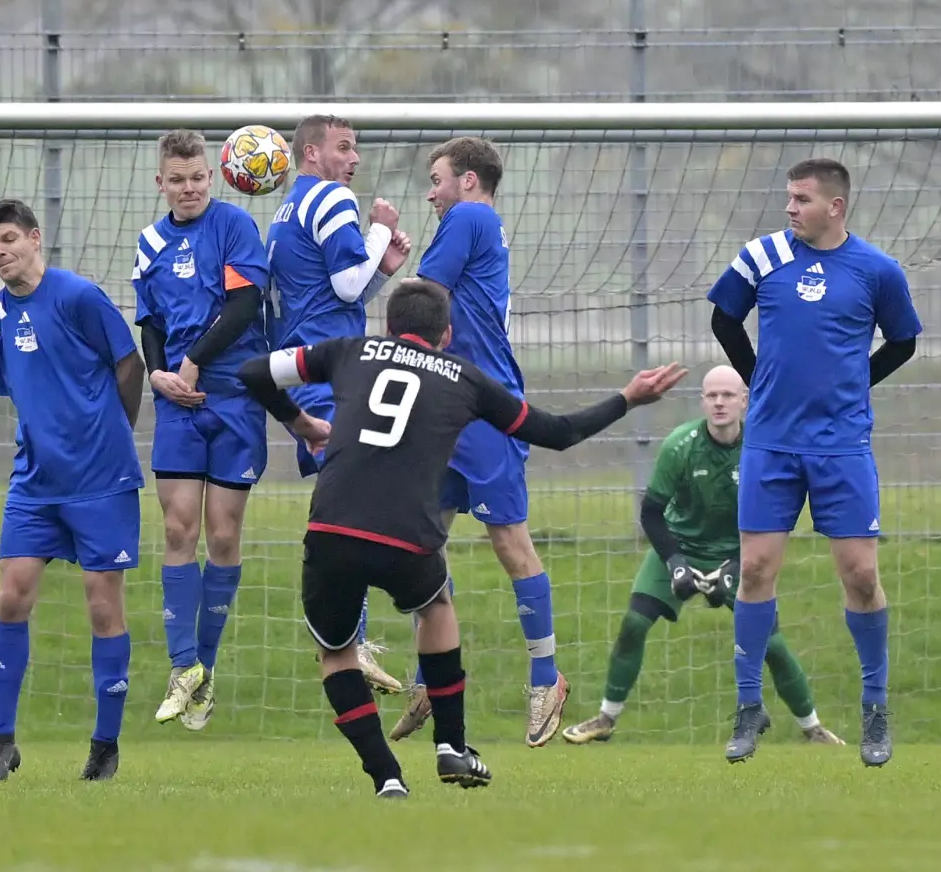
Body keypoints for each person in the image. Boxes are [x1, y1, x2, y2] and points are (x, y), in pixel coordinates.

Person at [238, 278, 687, 798]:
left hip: (333, 526)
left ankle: (386, 776)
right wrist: (628, 398)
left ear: (389, 326)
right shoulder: (464, 378)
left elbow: (254, 372)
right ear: (446, 334)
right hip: (408, 535)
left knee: (336, 655)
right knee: (436, 608)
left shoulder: (347, 352)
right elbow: (558, 433)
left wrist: (303, 424)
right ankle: (451, 745)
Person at [705, 158, 921, 768]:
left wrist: (857, 383)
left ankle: (875, 708)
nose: (789, 209)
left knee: (859, 576)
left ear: (836, 206)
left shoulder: (878, 271)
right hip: (771, 443)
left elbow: (903, 342)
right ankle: (749, 708)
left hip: (842, 446)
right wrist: (759, 380)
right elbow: (724, 317)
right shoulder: (764, 256)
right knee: (754, 569)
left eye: (801, 199)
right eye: (788, 197)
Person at [561, 366, 843, 746]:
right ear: (702, 401)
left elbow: (780, 516)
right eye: (712, 396)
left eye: (728, 395)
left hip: (739, 553)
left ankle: (813, 730)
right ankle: (606, 719)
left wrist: (735, 566)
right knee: (633, 624)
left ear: (745, 400)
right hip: (679, 546)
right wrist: (675, 563)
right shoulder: (680, 445)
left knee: (771, 644)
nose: (720, 402)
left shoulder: (762, 448)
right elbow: (651, 513)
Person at [394, 136, 565, 749]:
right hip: (445, 407)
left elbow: (421, 299)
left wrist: (376, 258)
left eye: (437, 178)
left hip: (483, 409)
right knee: (422, 541)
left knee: (510, 543)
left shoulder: (468, 216)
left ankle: (547, 678)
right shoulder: (471, 221)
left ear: (468, 180)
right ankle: (426, 677)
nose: (431, 190)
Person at [0, 199, 146, 783]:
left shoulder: (78, 296)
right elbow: (19, 390)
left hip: (101, 480)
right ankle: (1, 744)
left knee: (103, 607)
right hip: (35, 482)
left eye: (8, 240)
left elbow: (129, 364)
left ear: (34, 238)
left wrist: (111, 434)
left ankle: (105, 745)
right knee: (11, 598)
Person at [265, 113, 411, 695]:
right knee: (359, 501)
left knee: (348, 498)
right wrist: (380, 230)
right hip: (326, 373)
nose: (353, 159)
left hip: (305, 369)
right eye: (343, 147)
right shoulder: (332, 199)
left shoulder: (288, 209)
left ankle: (350, 635)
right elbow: (347, 288)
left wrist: (381, 272)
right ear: (310, 155)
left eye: (355, 148)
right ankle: (344, 632)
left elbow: (331, 292)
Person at [132, 130, 270, 731]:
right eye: (176, 179)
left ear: (211, 178)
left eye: (196, 178)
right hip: (178, 402)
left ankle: (203, 671)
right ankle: (182, 665)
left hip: (234, 392)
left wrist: (191, 363)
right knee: (176, 526)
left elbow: (244, 306)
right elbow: (151, 320)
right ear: (160, 182)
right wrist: (160, 373)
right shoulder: (149, 242)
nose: (187, 188)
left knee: (221, 536)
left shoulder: (235, 228)